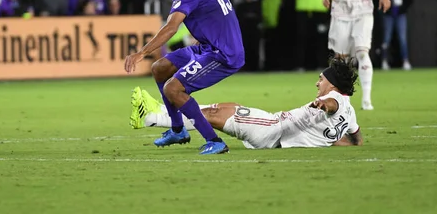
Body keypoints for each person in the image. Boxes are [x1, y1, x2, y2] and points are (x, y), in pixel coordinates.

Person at [124, 0, 245, 155]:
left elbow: (171, 27)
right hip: (208, 47)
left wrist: (141, 52)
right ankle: (178, 129)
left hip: (223, 54)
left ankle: (215, 141)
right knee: (160, 68)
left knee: (173, 89)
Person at [130, 56, 362, 149]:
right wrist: (337, 143)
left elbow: (330, 105)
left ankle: (152, 117)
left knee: (212, 114)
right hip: (273, 127)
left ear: (332, 84)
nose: (317, 84)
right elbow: (354, 139)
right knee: (223, 107)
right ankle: (160, 112)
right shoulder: (349, 111)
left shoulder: (332, 100)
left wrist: (322, 105)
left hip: (272, 129)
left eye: (320, 80)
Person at [381, 0, 413, 70]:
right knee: (387, 38)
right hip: (389, 14)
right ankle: (384, 61)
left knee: (402, 38)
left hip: (400, 14)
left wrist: (403, 8)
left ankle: (405, 61)